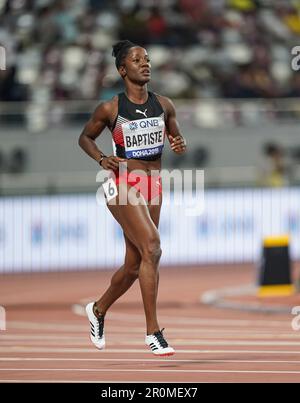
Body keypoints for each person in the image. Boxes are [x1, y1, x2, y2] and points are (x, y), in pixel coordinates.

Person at [78, 40, 186, 356]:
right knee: (153, 246)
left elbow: (175, 135)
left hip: (154, 185)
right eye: (137, 59)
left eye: (147, 59)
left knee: (135, 264)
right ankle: (153, 331)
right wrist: (101, 158)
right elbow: (85, 137)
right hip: (122, 182)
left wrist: (178, 142)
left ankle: (97, 309)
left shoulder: (165, 105)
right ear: (122, 69)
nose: (145, 63)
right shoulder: (111, 108)